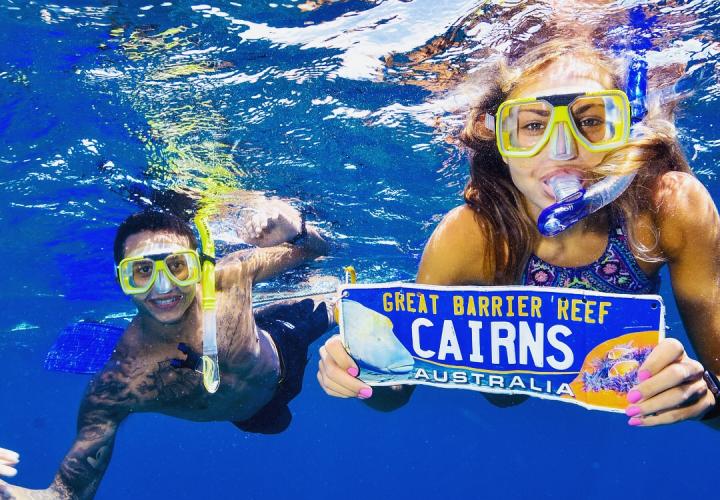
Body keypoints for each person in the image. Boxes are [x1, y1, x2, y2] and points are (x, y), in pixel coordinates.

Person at [317, 39, 720, 426]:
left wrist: (705, 398)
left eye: (592, 121)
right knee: (505, 397)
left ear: (625, 130)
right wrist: (361, 366)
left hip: (615, 379)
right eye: (532, 126)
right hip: (508, 378)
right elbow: (398, 389)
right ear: (502, 144)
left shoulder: (666, 207)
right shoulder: (469, 235)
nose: (562, 150)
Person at [0, 199, 333, 498]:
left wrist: (297, 228)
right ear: (121, 281)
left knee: (331, 305)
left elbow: (320, 249)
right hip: (253, 417)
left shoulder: (231, 275)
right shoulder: (120, 382)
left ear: (199, 266)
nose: (164, 287)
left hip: (282, 346)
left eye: (176, 265)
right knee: (274, 425)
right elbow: (64, 495)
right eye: (142, 271)